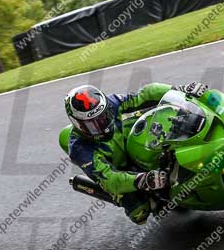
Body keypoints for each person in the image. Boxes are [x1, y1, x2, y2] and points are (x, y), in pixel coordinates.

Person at [64, 81, 208, 224]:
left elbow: (145, 94)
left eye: (103, 117)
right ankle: (145, 200)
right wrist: (142, 180)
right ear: (78, 124)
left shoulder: (112, 103)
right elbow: (110, 179)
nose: (102, 124)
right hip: (119, 171)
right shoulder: (79, 148)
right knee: (139, 213)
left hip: (135, 143)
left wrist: (179, 90)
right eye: (93, 124)